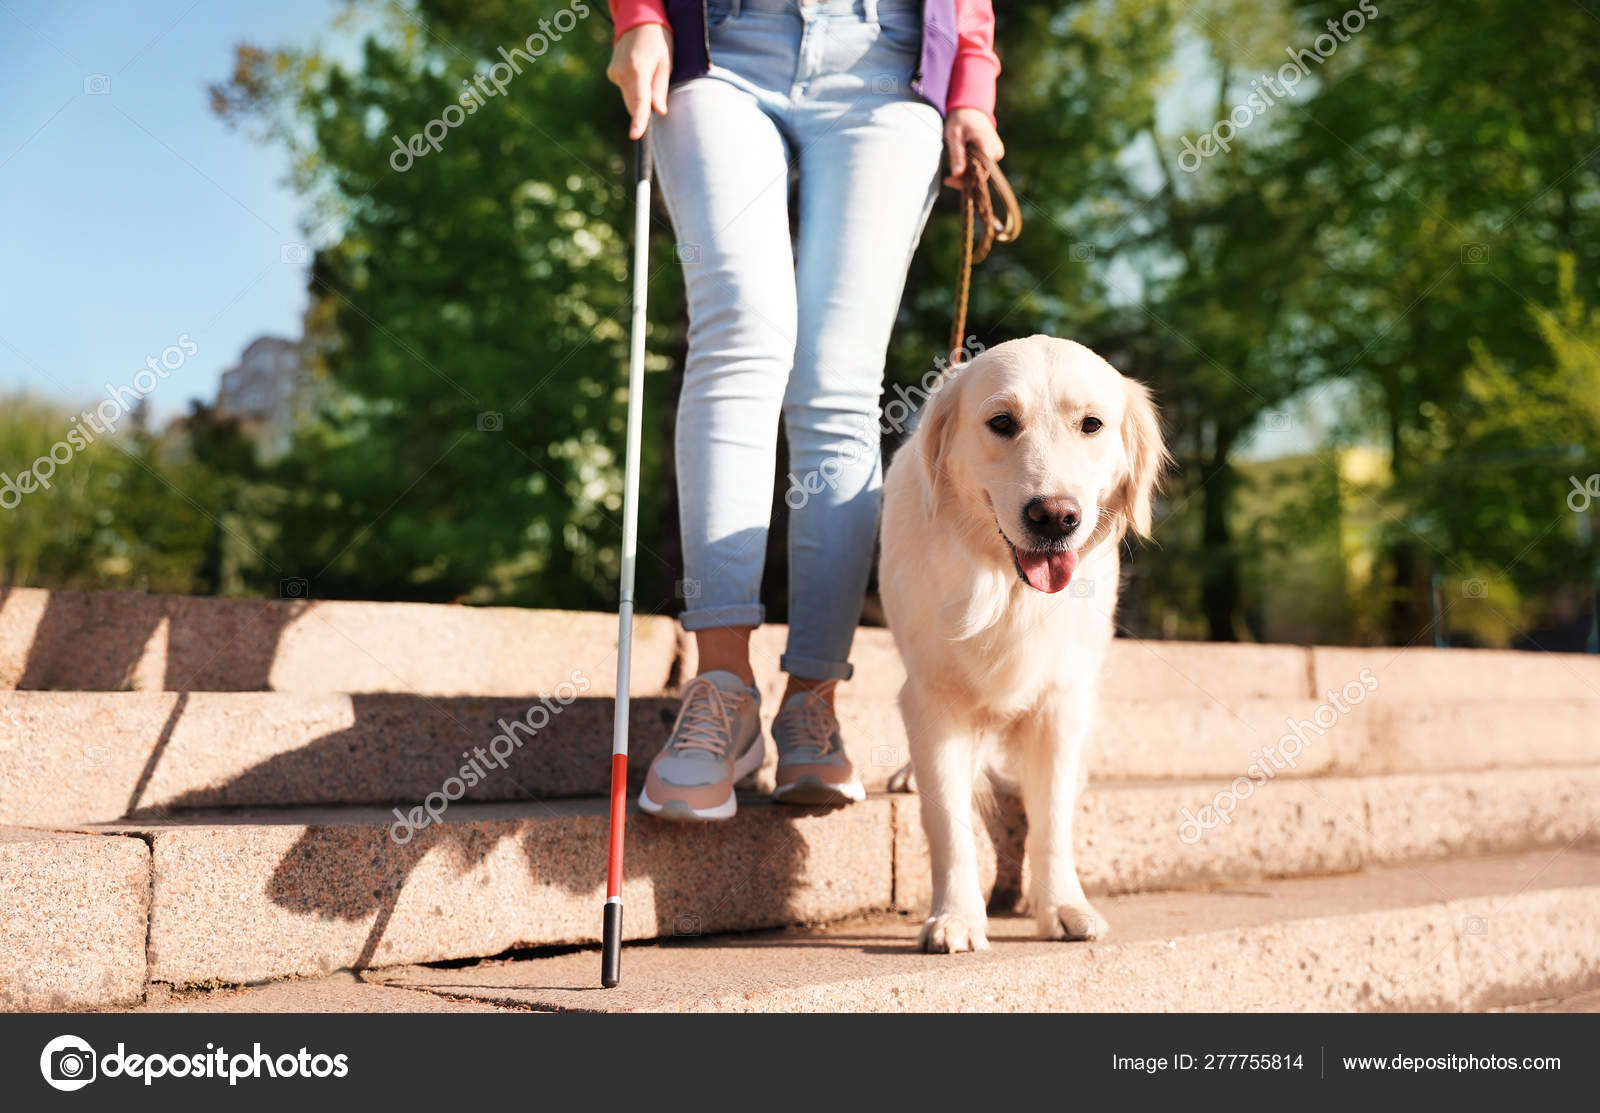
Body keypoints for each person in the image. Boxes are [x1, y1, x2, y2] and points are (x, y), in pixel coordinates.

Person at [606, 0, 1004, 820]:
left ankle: (811, 699)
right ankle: (721, 687)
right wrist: (639, 13)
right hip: (722, 45)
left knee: (839, 383)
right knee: (739, 334)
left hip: (887, 65)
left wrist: (972, 79)